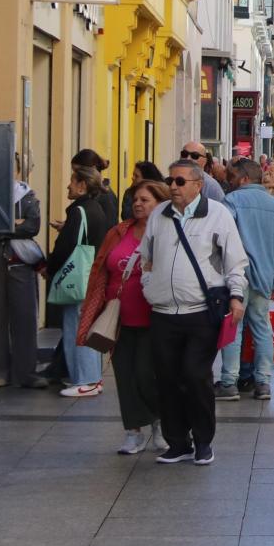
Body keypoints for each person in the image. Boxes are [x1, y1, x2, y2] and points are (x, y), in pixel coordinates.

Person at [135, 158, 248, 465]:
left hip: (200, 312)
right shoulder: (160, 215)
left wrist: (236, 297)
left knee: (195, 376)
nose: (173, 186)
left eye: (180, 181)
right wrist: (149, 285)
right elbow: (145, 256)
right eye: (171, 180)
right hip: (163, 312)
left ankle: (203, 440)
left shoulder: (218, 215)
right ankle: (177, 442)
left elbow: (235, 262)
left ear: (198, 185)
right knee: (168, 379)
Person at [78, 180, 168, 455]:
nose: (138, 204)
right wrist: (92, 301)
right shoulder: (118, 232)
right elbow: (100, 266)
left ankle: (159, 423)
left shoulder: (167, 234)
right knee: (125, 376)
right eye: (135, 200)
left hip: (154, 317)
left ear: (159, 204)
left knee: (146, 374)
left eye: (145, 200)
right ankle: (133, 432)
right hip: (118, 317)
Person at [217, 159, 274, 401]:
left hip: (237, 275)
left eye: (233, 177)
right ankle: (263, 382)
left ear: (245, 178)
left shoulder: (232, 201)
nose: (230, 181)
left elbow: (222, 238)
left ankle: (229, 382)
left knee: (233, 328)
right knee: (262, 327)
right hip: (265, 276)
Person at [47, 165, 113, 398]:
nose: (68, 185)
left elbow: (66, 246)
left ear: (83, 185)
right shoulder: (97, 209)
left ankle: (86, 379)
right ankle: (88, 378)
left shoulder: (78, 211)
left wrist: (51, 267)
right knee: (85, 326)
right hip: (93, 277)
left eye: (72, 181)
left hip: (79, 279)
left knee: (77, 327)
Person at [0, 155, 47, 389]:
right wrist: (14, 225)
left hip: (20, 262)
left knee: (26, 317)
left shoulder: (28, 196)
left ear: (19, 170)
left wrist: (5, 228)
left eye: (12, 167)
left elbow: (33, 226)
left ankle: (26, 372)